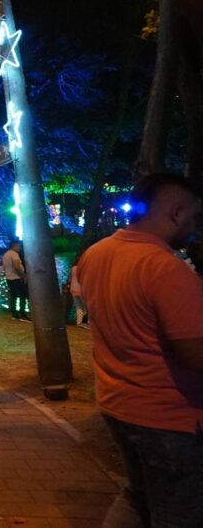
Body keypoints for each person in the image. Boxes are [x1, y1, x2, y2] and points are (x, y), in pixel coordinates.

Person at [78, 174, 203, 527]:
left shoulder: (96, 255)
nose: (195, 227)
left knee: (139, 497)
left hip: (118, 405)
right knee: (179, 513)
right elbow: (194, 355)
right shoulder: (166, 269)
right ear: (176, 212)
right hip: (169, 419)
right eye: (194, 217)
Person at [2, 241, 29, 321]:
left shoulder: (6, 254)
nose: (20, 248)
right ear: (14, 246)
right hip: (16, 277)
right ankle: (22, 313)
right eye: (19, 246)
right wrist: (23, 275)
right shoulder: (14, 254)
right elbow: (16, 266)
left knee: (13, 296)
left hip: (9, 277)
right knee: (23, 296)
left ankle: (14, 314)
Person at [69, 255, 88, 329]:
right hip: (81, 290)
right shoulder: (82, 268)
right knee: (86, 307)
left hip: (73, 290)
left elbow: (70, 279)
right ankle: (85, 322)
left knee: (79, 307)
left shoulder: (73, 268)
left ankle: (79, 322)